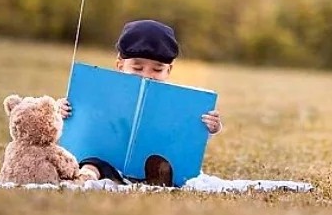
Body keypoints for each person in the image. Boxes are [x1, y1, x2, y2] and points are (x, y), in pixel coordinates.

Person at [58, 19, 222, 185]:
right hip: (104, 158)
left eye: (157, 69)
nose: (147, 75)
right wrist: (61, 111)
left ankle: (157, 178)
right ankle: (87, 176)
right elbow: (80, 120)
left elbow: (185, 134)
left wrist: (211, 127)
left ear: (169, 70)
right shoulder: (102, 90)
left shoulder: (175, 101)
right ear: (120, 65)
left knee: (162, 164)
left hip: (151, 160)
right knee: (92, 163)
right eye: (137, 68)